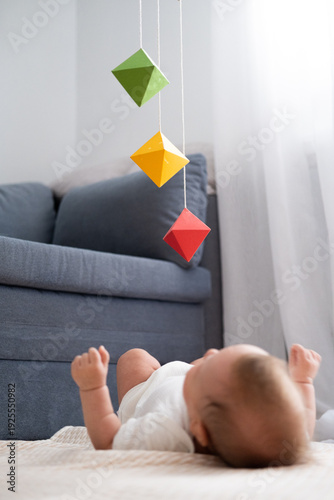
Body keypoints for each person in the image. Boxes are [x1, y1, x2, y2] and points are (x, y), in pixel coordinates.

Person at [71, 343, 321, 468]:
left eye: (211, 362)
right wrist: (303, 381)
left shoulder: (164, 432)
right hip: (188, 380)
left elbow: (108, 442)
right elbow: (301, 431)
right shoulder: (218, 413)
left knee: (134, 358)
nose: (212, 351)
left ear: (198, 430)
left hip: (150, 390)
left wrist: (92, 388)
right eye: (220, 353)